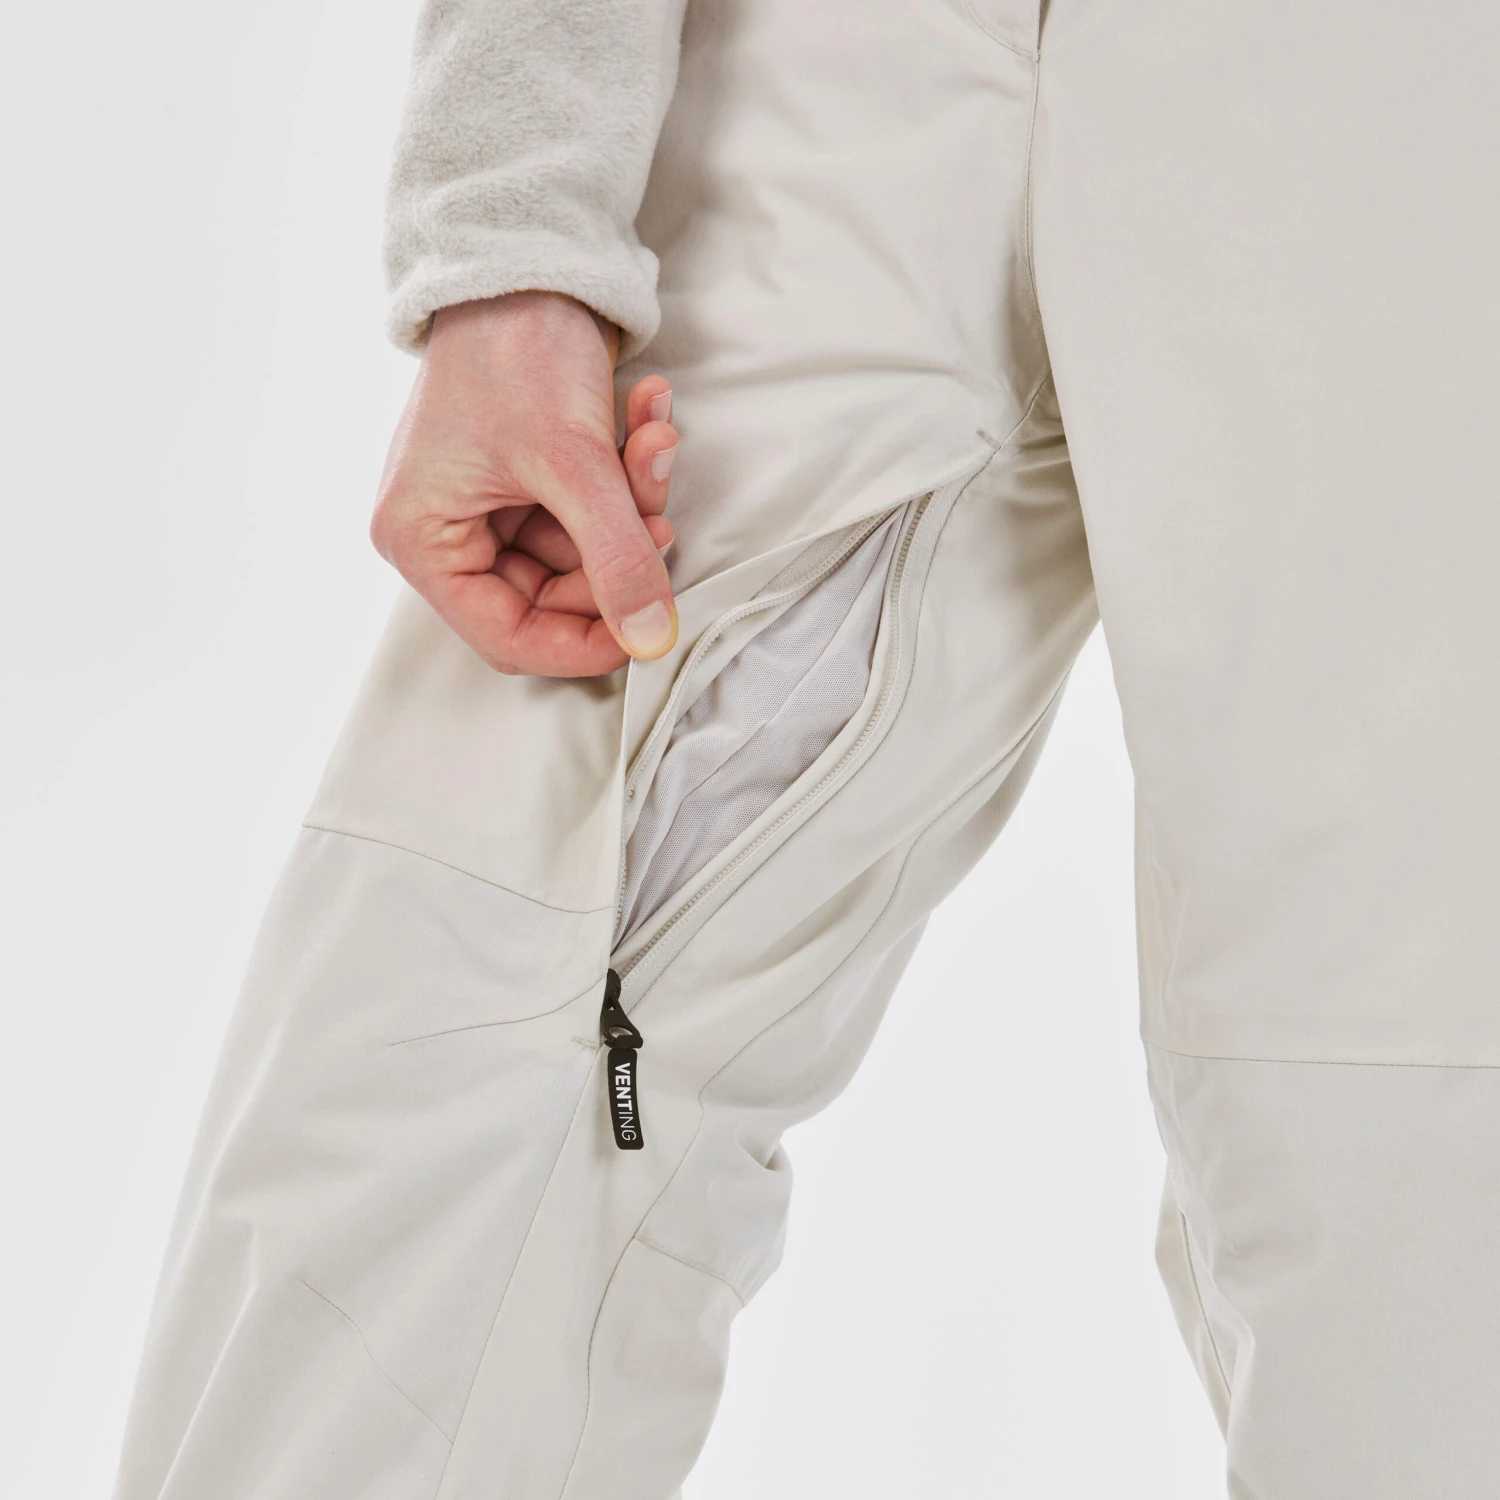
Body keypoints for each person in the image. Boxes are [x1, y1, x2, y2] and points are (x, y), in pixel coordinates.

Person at [113, 1, 1500, 1496]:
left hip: (1408, 83)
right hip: (842, 56)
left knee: (1399, 1125)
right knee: (466, 1013)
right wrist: (511, 233)